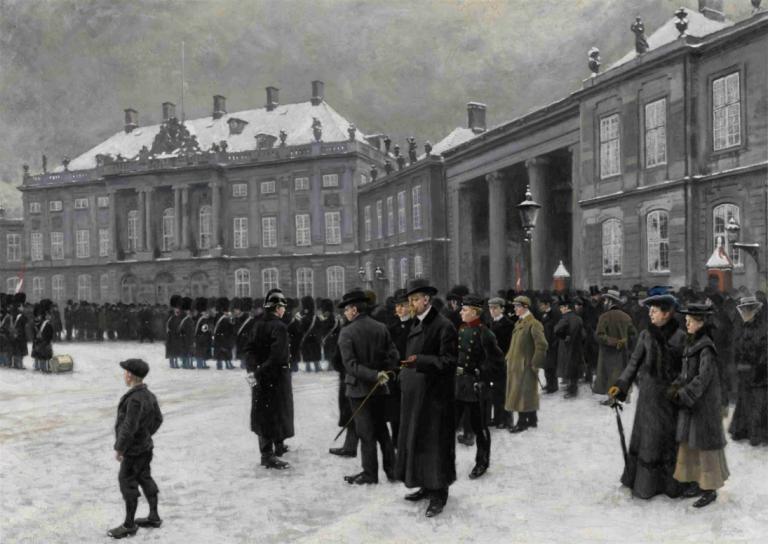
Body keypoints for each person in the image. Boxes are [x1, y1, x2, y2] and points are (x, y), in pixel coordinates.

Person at [608, 287, 686, 499]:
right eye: (649, 309)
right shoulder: (645, 335)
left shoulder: (681, 337)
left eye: (654, 310)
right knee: (649, 440)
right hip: (649, 398)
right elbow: (633, 364)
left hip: (671, 399)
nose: (650, 313)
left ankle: (671, 485)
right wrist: (621, 385)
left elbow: (687, 370)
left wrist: (679, 388)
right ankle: (646, 486)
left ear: (667, 312)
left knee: (669, 441)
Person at [396, 278, 458, 518]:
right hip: (416, 397)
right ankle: (424, 484)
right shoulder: (415, 323)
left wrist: (420, 360)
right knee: (418, 442)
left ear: (427, 300)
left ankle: (439, 494)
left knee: (435, 446)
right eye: (409, 300)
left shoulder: (443, 326)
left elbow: (449, 362)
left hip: (435, 399)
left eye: (415, 299)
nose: (411, 303)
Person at [668, 303, 729, 508]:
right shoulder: (692, 343)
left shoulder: (706, 348)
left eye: (690, 321)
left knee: (705, 447)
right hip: (693, 405)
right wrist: (675, 386)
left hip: (704, 406)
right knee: (690, 444)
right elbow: (687, 374)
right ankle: (696, 482)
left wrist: (684, 394)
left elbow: (703, 379)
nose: (686, 324)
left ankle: (710, 489)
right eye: (686, 320)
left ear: (700, 322)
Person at [337, 289, 399, 484]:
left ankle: (370, 474)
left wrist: (373, 375)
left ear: (354, 310)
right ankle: (393, 471)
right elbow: (394, 355)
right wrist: (384, 373)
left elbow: (350, 365)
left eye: (346, 309)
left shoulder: (347, 332)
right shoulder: (381, 327)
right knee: (382, 431)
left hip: (358, 391)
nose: (345, 313)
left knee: (366, 434)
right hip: (380, 388)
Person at [108, 358, 163, 539]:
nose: (124, 375)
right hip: (145, 448)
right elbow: (158, 420)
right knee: (145, 477)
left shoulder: (135, 399)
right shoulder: (149, 395)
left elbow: (128, 426)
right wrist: (146, 435)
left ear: (131, 375)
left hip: (133, 450)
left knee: (127, 481)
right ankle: (154, 516)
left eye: (125, 372)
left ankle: (129, 525)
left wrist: (120, 448)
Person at [242, 289, 294, 469]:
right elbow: (278, 355)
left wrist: (253, 370)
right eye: (282, 307)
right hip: (276, 376)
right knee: (276, 413)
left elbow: (249, 349)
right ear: (277, 308)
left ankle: (275, 447)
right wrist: (262, 370)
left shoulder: (257, 324)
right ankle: (269, 455)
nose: (284, 310)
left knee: (263, 414)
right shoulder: (279, 326)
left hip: (260, 375)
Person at [455, 294, 504, 479]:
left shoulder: (485, 334)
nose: (461, 312)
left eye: (464, 309)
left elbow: (498, 361)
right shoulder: (461, 330)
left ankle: (482, 462)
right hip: (459, 384)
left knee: (479, 426)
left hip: (476, 387)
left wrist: (481, 374)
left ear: (474, 312)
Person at [728, 295, 768, 446]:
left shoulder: (763, 330)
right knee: (744, 401)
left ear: (755, 311)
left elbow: (764, 354)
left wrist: (754, 367)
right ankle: (743, 430)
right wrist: (738, 363)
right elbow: (736, 349)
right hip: (744, 374)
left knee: (758, 404)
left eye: (748, 310)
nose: (745, 313)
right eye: (743, 310)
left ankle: (757, 434)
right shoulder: (742, 328)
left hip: (759, 374)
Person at [505, 295, 548, 433]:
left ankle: (522, 422)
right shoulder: (519, 323)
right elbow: (515, 345)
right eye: (515, 306)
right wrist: (508, 357)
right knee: (526, 392)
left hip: (526, 365)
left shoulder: (533, 323)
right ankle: (532, 419)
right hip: (516, 365)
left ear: (525, 307)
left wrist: (536, 363)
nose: (515, 309)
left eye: (517, 306)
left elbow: (542, 345)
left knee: (522, 394)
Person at [594, 289, 637, 404]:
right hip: (623, 353)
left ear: (609, 301)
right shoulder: (626, 317)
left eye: (605, 300)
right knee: (620, 374)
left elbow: (599, 336)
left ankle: (612, 399)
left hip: (608, 352)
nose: (604, 302)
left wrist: (614, 342)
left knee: (609, 375)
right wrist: (625, 343)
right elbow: (633, 335)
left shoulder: (604, 317)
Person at [488, 297, 513, 428]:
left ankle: (506, 419)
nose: (492, 311)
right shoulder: (490, 323)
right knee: (495, 391)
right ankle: (497, 418)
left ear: (502, 309)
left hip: (503, 361)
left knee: (504, 391)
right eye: (490, 308)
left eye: (495, 308)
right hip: (492, 362)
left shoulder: (508, 324)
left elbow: (510, 345)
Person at [554, 296, 585, 398]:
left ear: (566, 307)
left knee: (567, 367)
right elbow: (584, 335)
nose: (560, 309)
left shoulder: (565, 318)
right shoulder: (578, 318)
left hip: (566, 347)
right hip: (577, 347)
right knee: (574, 368)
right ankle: (573, 388)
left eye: (562, 307)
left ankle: (571, 390)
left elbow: (556, 330)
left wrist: (564, 337)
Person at [31, 299, 54, 372]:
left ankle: (37, 366)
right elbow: (50, 335)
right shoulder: (47, 324)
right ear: (46, 314)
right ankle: (44, 368)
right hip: (45, 343)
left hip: (38, 341)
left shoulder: (38, 323)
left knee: (38, 354)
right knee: (45, 356)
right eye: (49, 314)